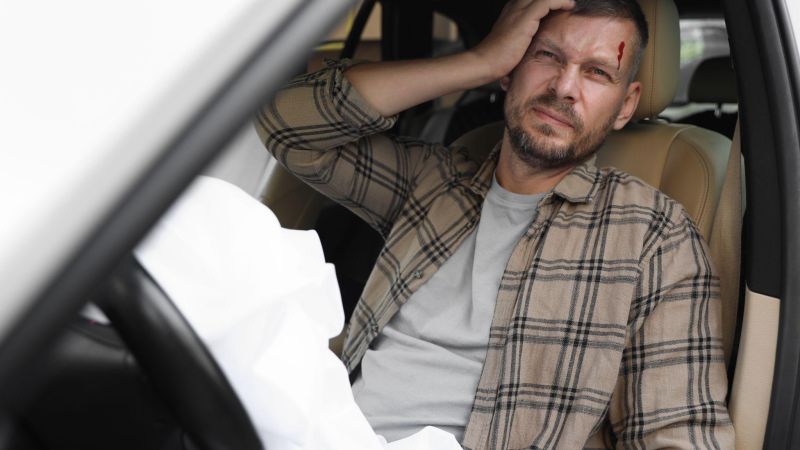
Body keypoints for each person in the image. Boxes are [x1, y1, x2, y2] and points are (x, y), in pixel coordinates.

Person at [255, 0, 735, 447]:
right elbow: (285, 124)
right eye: (547, 56)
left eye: (596, 72)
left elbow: (676, 435)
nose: (565, 86)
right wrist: (478, 62)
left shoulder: (654, 236)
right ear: (511, 68)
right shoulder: (435, 179)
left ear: (626, 105)